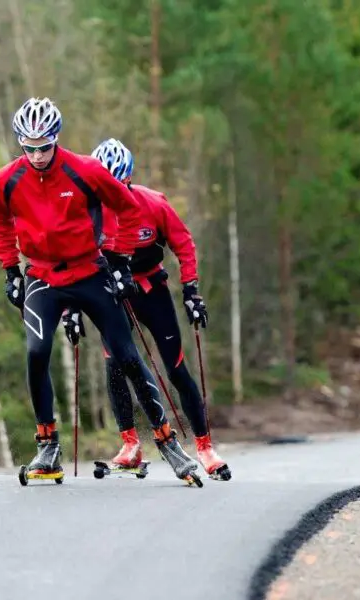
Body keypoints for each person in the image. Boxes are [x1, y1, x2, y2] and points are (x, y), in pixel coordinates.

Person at [0, 98, 199, 481]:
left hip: (90, 271)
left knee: (127, 357)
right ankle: (47, 448)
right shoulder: (7, 179)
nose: (36, 155)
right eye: (28, 147)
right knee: (36, 352)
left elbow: (127, 207)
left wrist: (119, 260)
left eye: (44, 146)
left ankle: (168, 443)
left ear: (56, 139)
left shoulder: (85, 169)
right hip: (43, 278)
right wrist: (10, 270)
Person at [61, 138, 231, 481]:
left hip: (151, 289)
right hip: (111, 291)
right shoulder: (84, 209)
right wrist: (71, 309)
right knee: (115, 364)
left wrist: (192, 292)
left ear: (126, 180)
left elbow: (183, 243)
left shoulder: (153, 204)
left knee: (176, 367)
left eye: (115, 186)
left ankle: (204, 446)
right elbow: (69, 259)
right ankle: (130, 446)